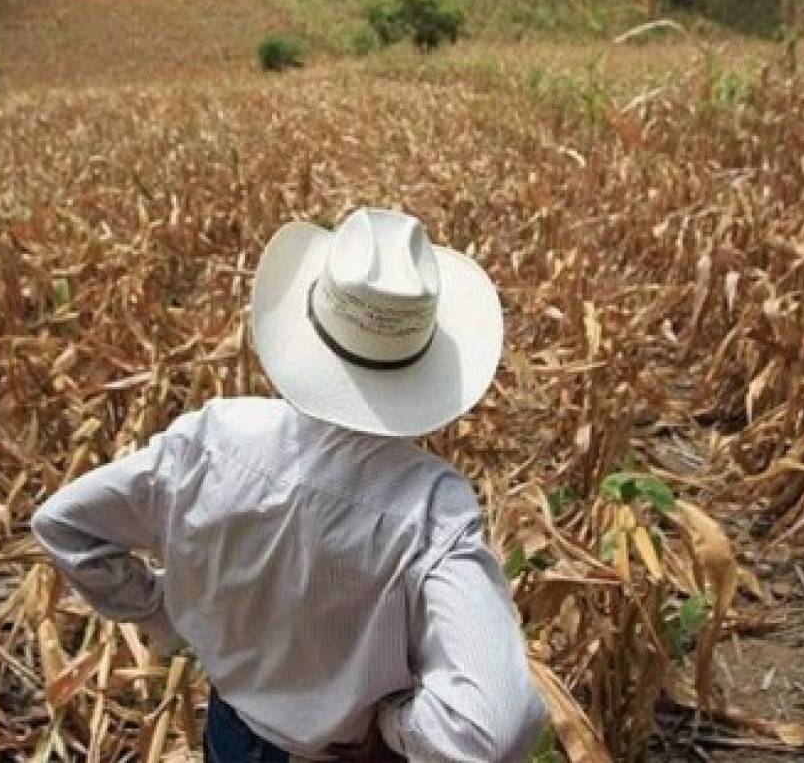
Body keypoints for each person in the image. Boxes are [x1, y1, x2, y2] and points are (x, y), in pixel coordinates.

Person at [32, 208, 547, 761]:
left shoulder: (210, 440)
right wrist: (395, 725)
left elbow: (64, 524)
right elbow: (493, 730)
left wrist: (165, 611)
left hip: (231, 732)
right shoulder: (428, 509)